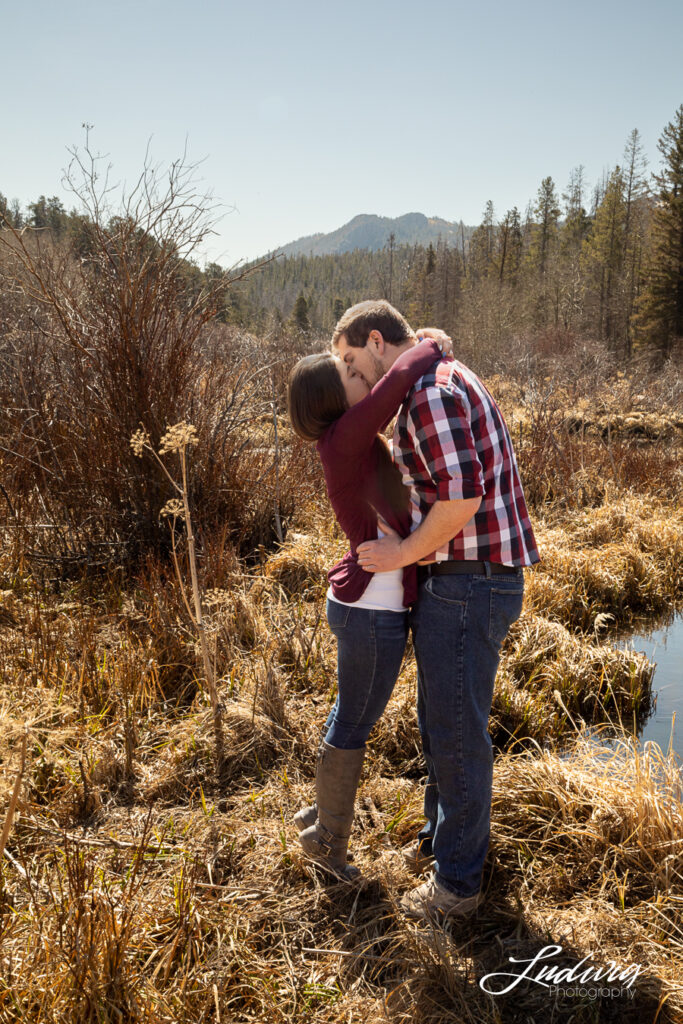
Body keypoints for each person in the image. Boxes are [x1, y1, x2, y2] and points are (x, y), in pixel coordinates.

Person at [334, 299, 540, 921]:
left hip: (468, 581)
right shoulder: (431, 379)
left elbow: (462, 497)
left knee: (454, 735)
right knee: (442, 722)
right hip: (467, 579)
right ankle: (446, 844)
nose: (349, 376)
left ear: (376, 343)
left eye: (348, 360)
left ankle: (457, 887)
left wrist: (400, 554)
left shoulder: (429, 395)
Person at [287, 333, 450, 879]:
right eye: (352, 375)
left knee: (347, 711)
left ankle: (319, 812)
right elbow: (394, 386)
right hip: (370, 613)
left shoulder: (345, 441)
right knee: (355, 720)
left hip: (365, 605)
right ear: (337, 400)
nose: (365, 378)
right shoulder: (344, 438)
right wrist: (430, 347)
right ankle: (328, 842)